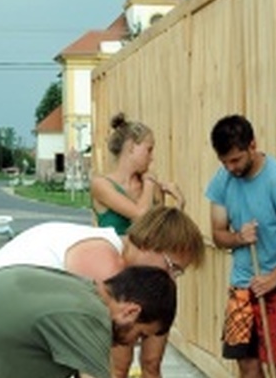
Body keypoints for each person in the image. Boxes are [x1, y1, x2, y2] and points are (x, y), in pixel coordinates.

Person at [0, 206, 205, 378]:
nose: (169, 278)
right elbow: (101, 364)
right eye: (172, 267)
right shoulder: (106, 267)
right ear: (152, 243)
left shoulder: (111, 250)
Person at [0, 264, 176, 378]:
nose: (133, 343)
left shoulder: (80, 290)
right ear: (130, 312)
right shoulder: (89, 314)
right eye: (140, 335)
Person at [205, 114, 276, 378]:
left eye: (236, 160)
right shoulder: (222, 179)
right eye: (224, 162)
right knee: (246, 365)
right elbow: (218, 234)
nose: (231, 168)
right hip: (242, 286)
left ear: (252, 145)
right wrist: (238, 238)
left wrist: (274, 277)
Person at [90, 112, 187, 376]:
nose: (152, 157)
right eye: (149, 149)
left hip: (155, 286)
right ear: (132, 147)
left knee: (152, 364)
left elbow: (163, 235)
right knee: (119, 367)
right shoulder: (102, 185)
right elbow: (141, 216)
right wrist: (150, 184)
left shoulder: (150, 187)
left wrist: (178, 206)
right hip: (121, 288)